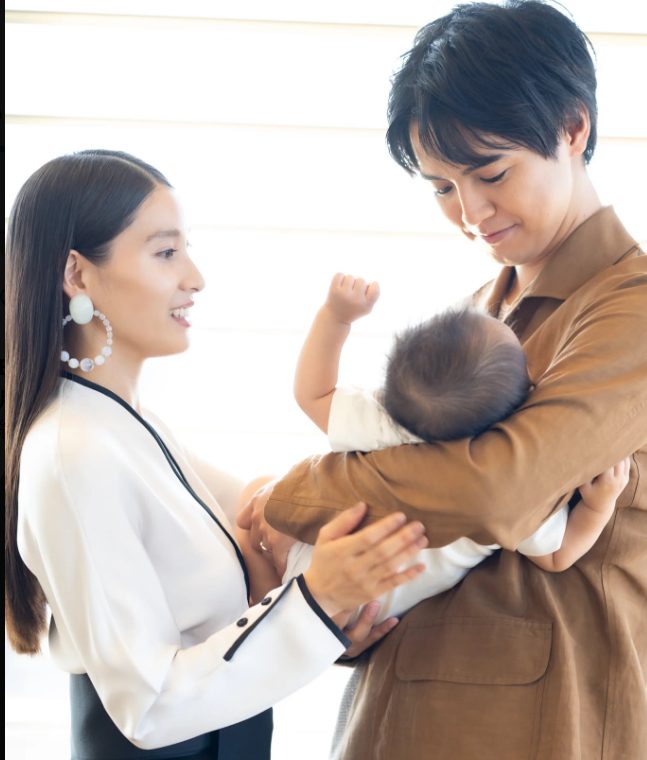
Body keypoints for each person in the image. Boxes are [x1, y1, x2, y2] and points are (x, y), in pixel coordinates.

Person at [241, 2, 647, 758]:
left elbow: (495, 491)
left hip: (535, 724)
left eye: (490, 173)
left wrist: (295, 495)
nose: (470, 212)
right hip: (393, 713)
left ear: (573, 130)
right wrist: (345, 612)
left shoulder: (629, 308)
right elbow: (410, 521)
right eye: (440, 187)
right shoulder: (474, 317)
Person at [4, 149, 432, 760]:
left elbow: (269, 511)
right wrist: (316, 600)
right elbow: (147, 707)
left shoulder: (129, 427)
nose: (195, 278)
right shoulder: (74, 454)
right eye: (165, 252)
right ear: (77, 275)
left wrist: (324, 614)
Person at [241, 272, 629, 624]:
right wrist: (599, 505)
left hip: (314, 564)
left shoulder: (386, 421)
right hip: (357, 608)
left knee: (255, 492)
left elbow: (312, 393)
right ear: (525, 396)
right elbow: (557, 556)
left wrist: (336, 317)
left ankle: (258, 581)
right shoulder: (514, 479)